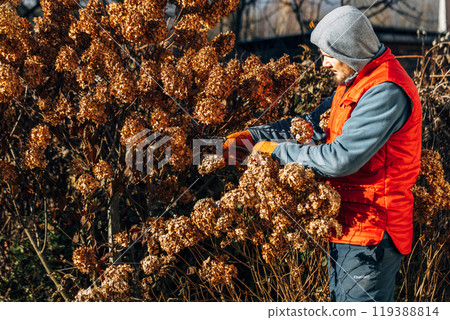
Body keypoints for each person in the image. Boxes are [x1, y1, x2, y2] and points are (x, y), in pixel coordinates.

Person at [223, 6, 422, 302]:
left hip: (372, 231)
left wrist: (274, 152)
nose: (324, 63)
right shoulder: (356, 82)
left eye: (329, 54)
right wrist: (253, 137)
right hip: (347, 226)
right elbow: (308, 125)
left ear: (351, 50)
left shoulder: (386, 91)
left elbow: (339, 159)